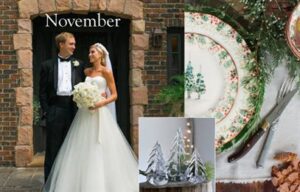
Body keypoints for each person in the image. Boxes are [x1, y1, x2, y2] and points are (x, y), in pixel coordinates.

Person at [42, 43, 138, 192]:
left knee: (99, 147)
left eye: (92, 52)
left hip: (100, 113)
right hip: (84, 114)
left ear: (100, 54)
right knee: (80, 147)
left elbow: (114, 94)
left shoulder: (106, 72)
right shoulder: (86, 71)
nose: (90, 55)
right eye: (89, 52)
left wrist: (101, 103)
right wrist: (82, 98)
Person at [39, 32, 86, 182]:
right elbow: (42, 92)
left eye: (74, 43)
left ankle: (70, 183)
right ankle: (50, 184)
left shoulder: (79, 64)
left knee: (73, 148)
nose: (74, 46)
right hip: (55, 109)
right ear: (61, 44)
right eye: (71, 44)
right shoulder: (47, 65)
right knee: (53, 149)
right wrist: (48, 111)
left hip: (74, 110)